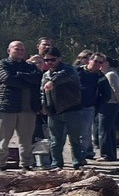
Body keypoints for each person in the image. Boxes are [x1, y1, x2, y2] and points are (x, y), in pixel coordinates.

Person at [41, 47, 88, 170]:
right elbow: (42, 92)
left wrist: (52, 82)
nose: (49, 62)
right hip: (54, 111)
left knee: (75, 140)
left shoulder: (69, 69)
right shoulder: (46, 74)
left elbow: (63, 76)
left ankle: (77, 164)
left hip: (72, 110)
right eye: (46, 60)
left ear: (59, 59)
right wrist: (44, 105)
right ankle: (56, 164)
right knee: (55, 141)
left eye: (52, 59)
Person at [1, 41, 42, 170]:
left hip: (28, 108)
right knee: (3, 139)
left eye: (22, 50)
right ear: (9, 50)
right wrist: (27, 80)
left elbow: (38, 78)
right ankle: (1, 164)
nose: (20, 52)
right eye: (17, 49)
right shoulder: (3, 64)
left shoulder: (29, 66)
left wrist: (20, 76)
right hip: (8, 108)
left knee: (26, 139)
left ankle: (27, 163)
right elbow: (8, 79)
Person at [77, 54, 109, 160]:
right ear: (89, 60)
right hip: (71, 107)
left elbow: (107, 95)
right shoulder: (77, 71)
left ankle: (82, 156)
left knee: (85, 134)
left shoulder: (101, 77)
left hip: (88, 107)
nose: (97, 64)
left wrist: (97, 106)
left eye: (100, 62)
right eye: (95, 61)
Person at [95, 54, 119, 162]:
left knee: (104, 130)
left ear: (108, 63)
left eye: (102, 62)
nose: (100, 65)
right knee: (109, 129)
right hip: (108, 104)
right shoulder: (104, 74)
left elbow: (116, 90)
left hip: (110, 104)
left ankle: (106, 154)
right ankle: (111, 154)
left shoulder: (110, 74)